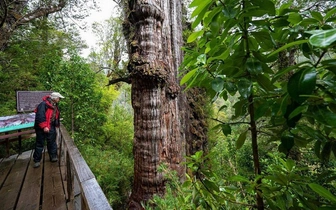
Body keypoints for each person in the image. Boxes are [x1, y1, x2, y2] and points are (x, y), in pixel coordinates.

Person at [33, 92, 65, 168]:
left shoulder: (55, 105)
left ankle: (53, 156)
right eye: (58, 98)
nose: (59, 99)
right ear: (54, 98)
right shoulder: (43, 105)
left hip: (51, 126)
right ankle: (37, 161)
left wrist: (56, 124)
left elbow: (55, 115)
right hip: (41, 127)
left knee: (52, 142)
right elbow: (40, 116)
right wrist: (44, 127)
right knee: (40, 144)